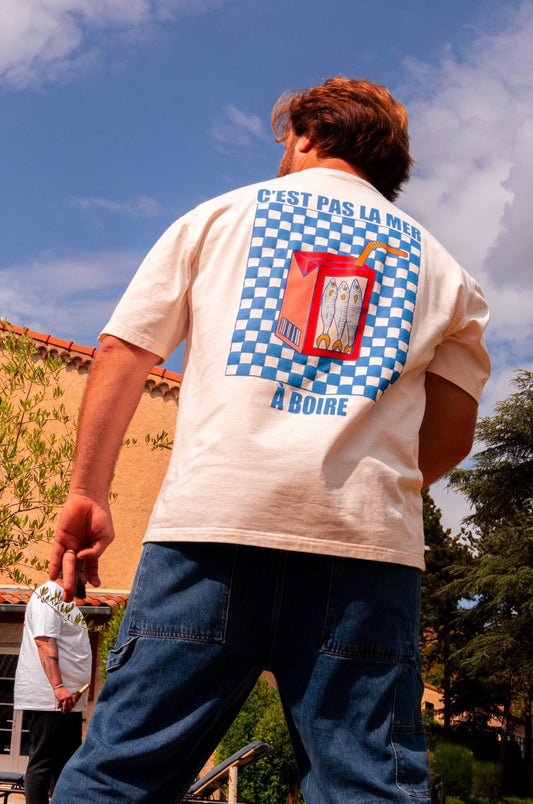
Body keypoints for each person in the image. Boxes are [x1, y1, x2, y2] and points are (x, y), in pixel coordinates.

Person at [49, 77, 490, 803]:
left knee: (122, 774)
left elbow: (125, 353)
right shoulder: (444, 272)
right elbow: (450, 432)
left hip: (211, 531)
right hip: (364, 552)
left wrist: (87, 492)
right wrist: (367, 480)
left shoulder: (216, 219)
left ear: (308, 135)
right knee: (369, 786)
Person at [14, 573, 91, 804]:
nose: (86, 580)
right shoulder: (49, 595)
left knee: (66, 765)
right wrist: (58, 686)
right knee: (44, 763)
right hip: (51, 700)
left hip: (67, 702)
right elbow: (45, 641)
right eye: (84, 573)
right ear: (73, 569)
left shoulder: (64, 600)